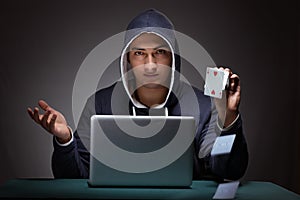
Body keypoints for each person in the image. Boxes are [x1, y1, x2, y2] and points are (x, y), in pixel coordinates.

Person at [27, 9, 248, 181]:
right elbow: (75, 178)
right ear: (127, 60)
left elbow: (227, 170)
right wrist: (65, 140)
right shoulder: (100, 103)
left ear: (173, 59)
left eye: (160, 52)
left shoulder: (203, 105)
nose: (150, 65)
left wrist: (227, 119)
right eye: (139, 53)